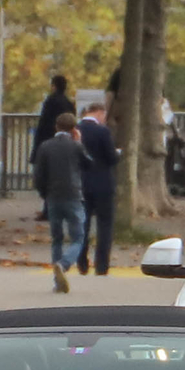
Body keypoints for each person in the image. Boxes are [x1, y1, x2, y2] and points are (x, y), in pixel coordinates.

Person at [32, 110, 87, 292]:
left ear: (56, 126)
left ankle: (57, 280)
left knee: (57, 238)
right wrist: (79, 142)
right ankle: (63, 265)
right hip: (73, 195)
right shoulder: (75, 146)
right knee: (78, 237)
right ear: (74, 129)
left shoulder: (45, 146)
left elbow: (39, 175)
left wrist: (44, 194)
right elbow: (89, 164)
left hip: (53, 197)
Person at [76, 101, 119, 275]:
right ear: (100, 113)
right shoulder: (102, 132)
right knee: (105, 225)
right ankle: (101, 265)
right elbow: (111, 157)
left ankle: (81, 261)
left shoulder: (76, 130)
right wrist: (117, 154)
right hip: (103, 184)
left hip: (81, 183)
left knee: (82, 224)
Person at [35, 75, 76, 153]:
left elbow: (44, 122)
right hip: (66, 140)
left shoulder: (50, 100)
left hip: (49, 138)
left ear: (54, 86)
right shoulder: (69, 102)